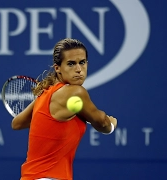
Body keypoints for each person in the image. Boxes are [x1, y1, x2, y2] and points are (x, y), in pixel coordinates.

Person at [11, 38, 118, 180]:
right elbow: (102, 123)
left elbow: (17, 123)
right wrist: (111, 124)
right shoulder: (76, 92)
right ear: (58, 68)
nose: (79, 69)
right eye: (71, 64)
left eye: (82, 62)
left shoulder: (46, 94)